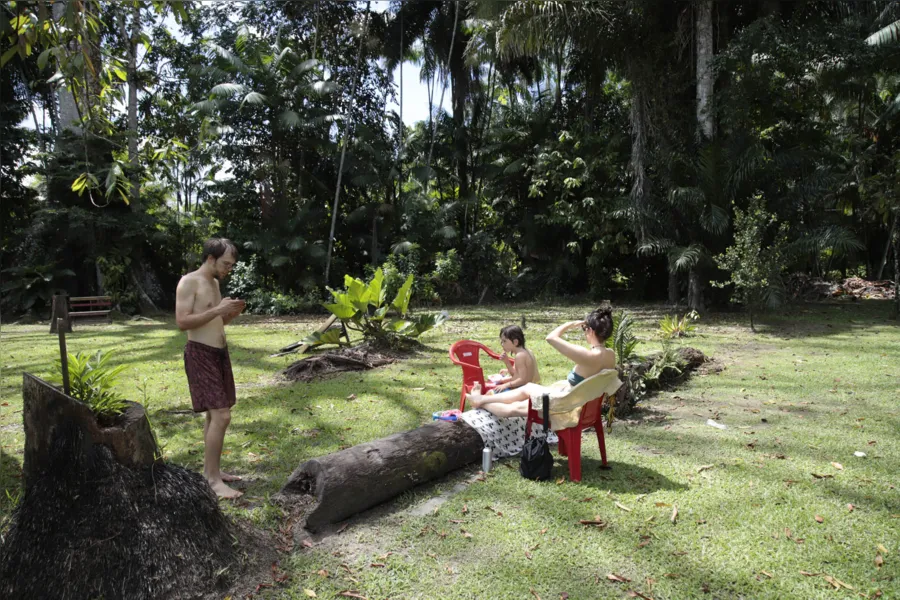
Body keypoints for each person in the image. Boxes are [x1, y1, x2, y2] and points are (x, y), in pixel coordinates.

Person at [175, 238, 246, 499]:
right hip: (200, 355)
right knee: (221, 416)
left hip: (219, 353)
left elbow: (214, 320)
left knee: (213, 416)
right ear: (210, 258)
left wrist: (229, 313)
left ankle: (212, 470)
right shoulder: (189, 282)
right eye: (226, 263)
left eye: (231, 265)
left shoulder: (215, 283)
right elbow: (182, 322)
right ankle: (213, 481)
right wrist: (218, 308)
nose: (228, 269)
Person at [467, 308, 616, 418]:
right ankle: (480, 400)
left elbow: (551, 337)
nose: (583, 332)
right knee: (519, 404)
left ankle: (480, 400)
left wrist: (569, 324)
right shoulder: (610, 356)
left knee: (521, 400)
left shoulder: (587, 356)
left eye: (584, 329)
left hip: (565, 404)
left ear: (589, 330)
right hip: (578, 402)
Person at [489, 325, 541, 393]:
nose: (502, 344)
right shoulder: (526, 351)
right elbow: (516, 374)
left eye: (504, 341)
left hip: (527, 390)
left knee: (491, 393)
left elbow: (522, 380)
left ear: (515, 342)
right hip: (532, 387)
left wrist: (506, 385)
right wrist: (507, 362)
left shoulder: (520, 356)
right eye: (502, 341)